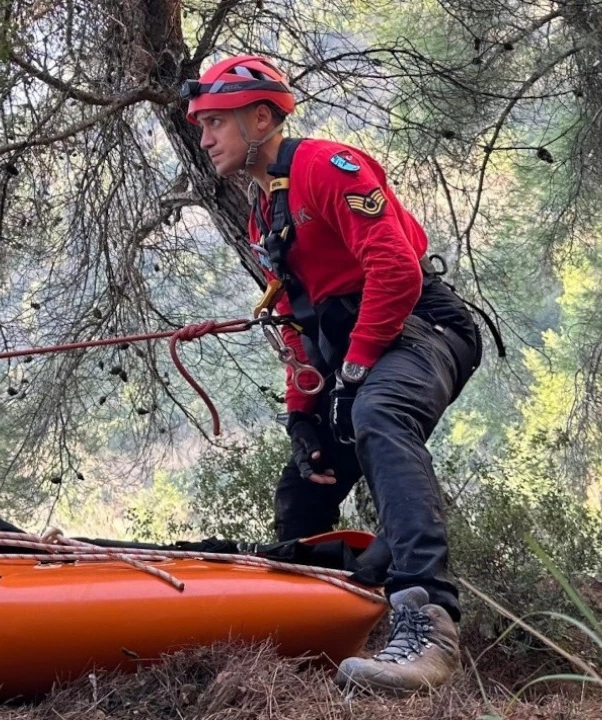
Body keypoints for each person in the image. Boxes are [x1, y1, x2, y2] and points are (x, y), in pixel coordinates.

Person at [180, 54, 499, 695]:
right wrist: (305, 417)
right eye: (201, 125)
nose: (206, 138)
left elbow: (397, 272)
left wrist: (354, 372)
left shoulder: (326, 166)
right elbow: (297, 324)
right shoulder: (261, 215)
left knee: (376, 415)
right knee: (306, 488)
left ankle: (427, 625)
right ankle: (311, 630)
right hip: (354, 351)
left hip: (421, 329)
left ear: (261, 117)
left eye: (215, 122)